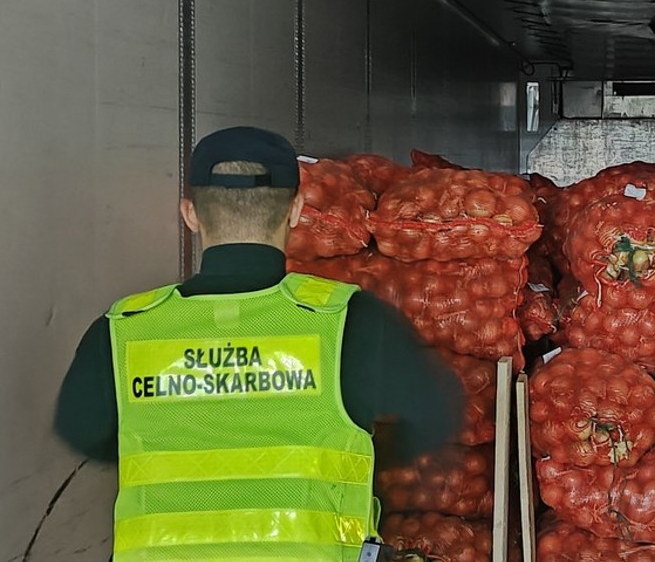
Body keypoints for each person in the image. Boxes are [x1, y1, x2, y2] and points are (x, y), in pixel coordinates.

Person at [54, 126, 464, 561]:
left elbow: (82, 432)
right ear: (296, 211)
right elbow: (435, 415)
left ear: (190, 214)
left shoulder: (123, 329)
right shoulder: (349, 321)